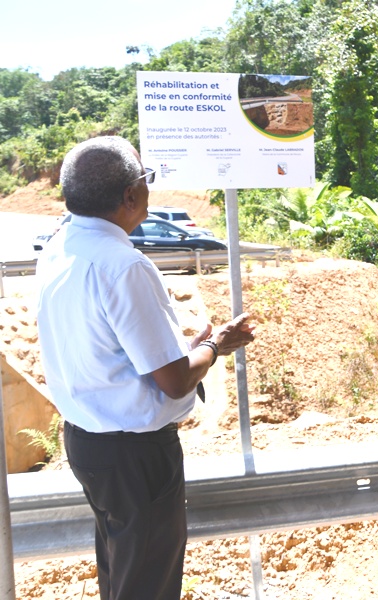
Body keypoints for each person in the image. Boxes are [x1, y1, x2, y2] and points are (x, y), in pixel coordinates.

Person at [36, 136, 256, 600]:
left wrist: (184, 352)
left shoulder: (58, 248)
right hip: (135, 457)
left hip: (87, 444)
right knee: (148, 585)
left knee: (124, 575)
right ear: (130, 196)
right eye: (146, 179)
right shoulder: (124, 265)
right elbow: (174, 381)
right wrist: (215, 345)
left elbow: (111, 350)